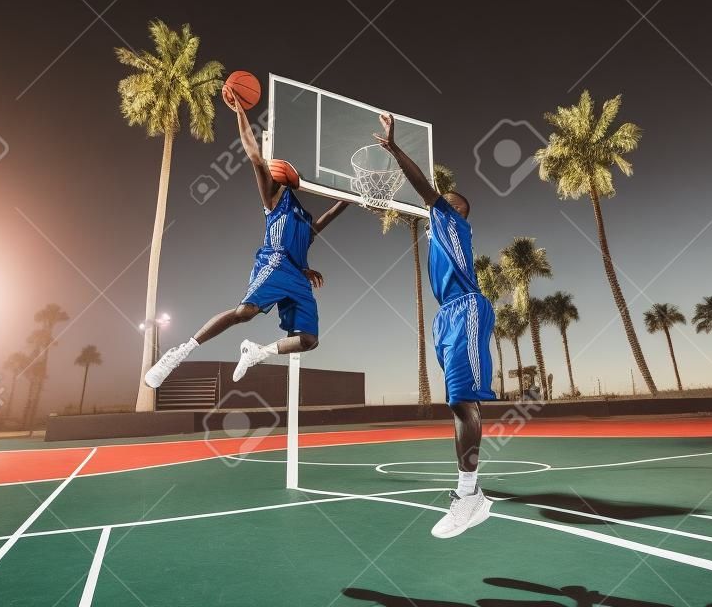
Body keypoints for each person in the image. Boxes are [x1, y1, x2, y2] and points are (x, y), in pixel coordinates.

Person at [144, 88, 348, 388]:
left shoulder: (303, 218)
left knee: (308, 340)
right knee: (245, 313)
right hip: (275, 263)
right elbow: (254, 154)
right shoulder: (274, 198)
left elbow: (324, 221)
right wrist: (241, 110)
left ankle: (257, 352)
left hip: (296, 275)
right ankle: (181, 351)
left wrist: (350, 198)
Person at [374, 113, 495, 538]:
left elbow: (426, 188)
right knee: (458, 404)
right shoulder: (440, 230)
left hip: (466, 309)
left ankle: (469, 495)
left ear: (456, 208)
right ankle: (470, 493)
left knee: (464, 402)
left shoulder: (452, 220)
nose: (436, 200)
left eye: (444, 198)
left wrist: (393, 148)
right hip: (447, 316)